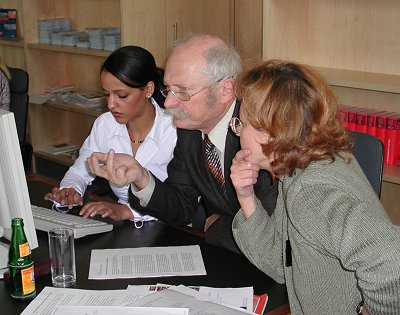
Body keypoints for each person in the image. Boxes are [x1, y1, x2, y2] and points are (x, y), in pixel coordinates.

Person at [230, 60, 400, 314]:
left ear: (270, 133)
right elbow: (282, 263)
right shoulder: (307, 163)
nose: (237, 132)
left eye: (241, 124)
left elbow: (391, 258)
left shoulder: (309, 193)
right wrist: (246, 198)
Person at [86, 34, 277, 253]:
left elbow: (273, 235)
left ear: (225, 90)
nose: (168, 103)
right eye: (167, 89)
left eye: (183, 92)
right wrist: (141, 177)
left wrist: (215, 226)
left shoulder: (260, 131)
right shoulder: (191, 131)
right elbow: (182, 208)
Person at [44, 46, 177, 226]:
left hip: (168, 228)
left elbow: (181, 203)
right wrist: (71, 189)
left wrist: (127, 211)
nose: (111, 104)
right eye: (106, 94)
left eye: (121, 95)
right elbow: (81, 169)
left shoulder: (174, 130)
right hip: (124, 225)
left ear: (148, 90)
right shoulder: (105, 124)